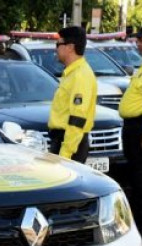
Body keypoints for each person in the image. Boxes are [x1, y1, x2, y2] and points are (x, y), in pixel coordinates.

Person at [47, 26, 97, 162]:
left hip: (70, 145)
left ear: (70, 47)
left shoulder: (80, 75)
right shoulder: (72, 73)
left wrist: (66, 154)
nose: (56, 48)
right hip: (62, 140)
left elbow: (77, 118)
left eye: (58, 44)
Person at [118, 32, 142, 213]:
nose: (138, 44)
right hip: (132, 126)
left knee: (139, 172)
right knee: (134, 169)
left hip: (139, 125)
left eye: (141, 41)